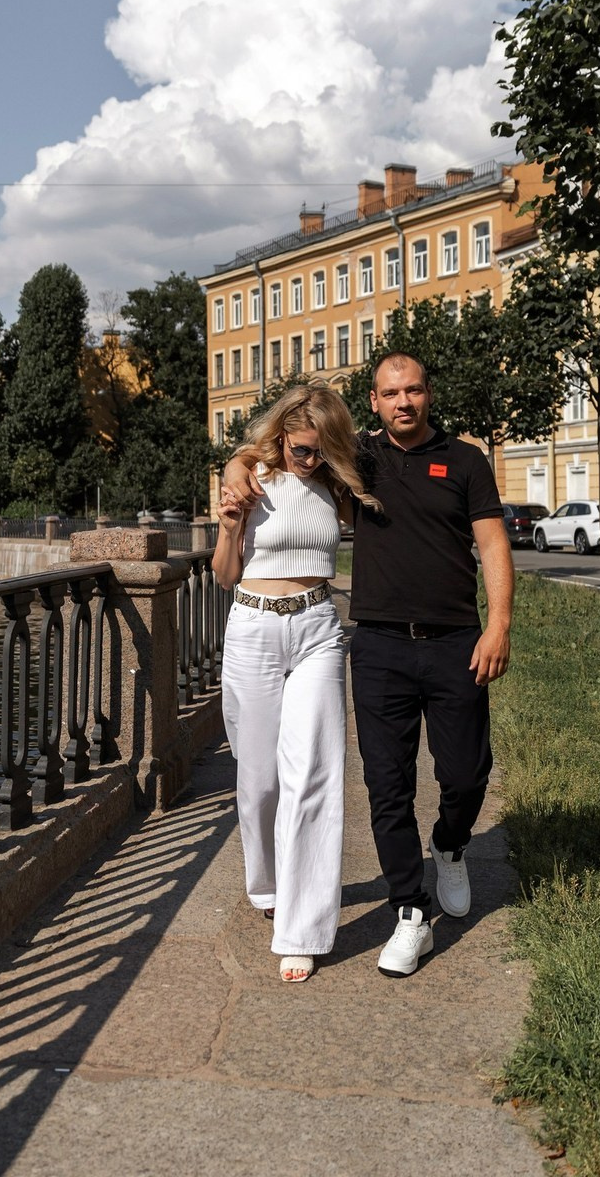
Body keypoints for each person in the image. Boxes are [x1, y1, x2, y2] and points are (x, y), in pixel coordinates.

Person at [224, 353, 513, 978]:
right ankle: (409, 910)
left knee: (464, 773)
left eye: (412, 390)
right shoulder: (355, 458)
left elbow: (492, 542)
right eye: (389, 393)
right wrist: (237, 464)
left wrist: (499, 623)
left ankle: (451, 843)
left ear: (427, 394)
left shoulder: (463, 460)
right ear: (375, 403)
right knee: (383, 784)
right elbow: (278, 450)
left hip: (451, 637)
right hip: (377, 643)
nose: (402, 401)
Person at [213, 381, 379, 982]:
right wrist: (231, 524)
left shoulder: (335, 485)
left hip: (317, 628)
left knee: (313, 773)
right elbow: (225, 576)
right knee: (258, 782)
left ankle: (303, 929)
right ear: (281, 433)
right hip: (254, 628)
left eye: (316, 451)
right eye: (296, 446)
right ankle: (266, 884)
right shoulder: (249, 477)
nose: (303, 459)